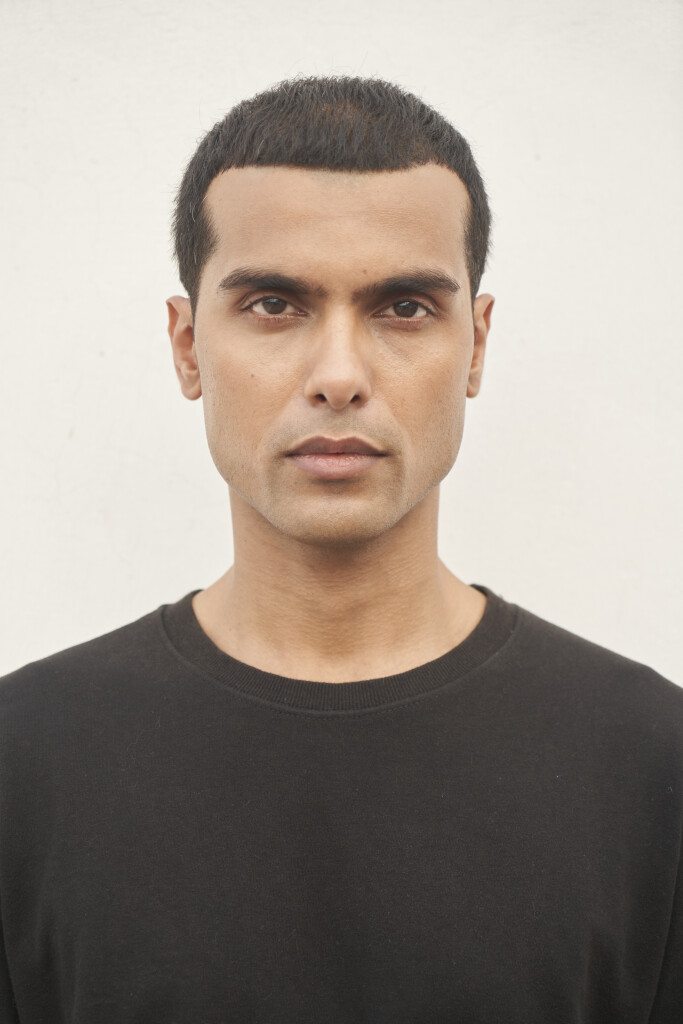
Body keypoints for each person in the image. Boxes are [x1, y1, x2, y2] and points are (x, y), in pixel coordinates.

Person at [0, 76, 680, 1024]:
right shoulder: (23, 762)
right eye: (273, 304)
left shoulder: (652, 764)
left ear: (475, 346)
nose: (337, 377)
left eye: (403, 307)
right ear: (187, 345)